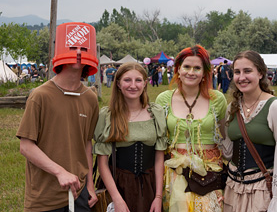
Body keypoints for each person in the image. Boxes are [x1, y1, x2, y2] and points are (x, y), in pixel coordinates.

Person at [16, 22, 99, 212]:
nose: (78, 53)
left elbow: (86, 143)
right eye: (73, 47)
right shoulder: (40, 95)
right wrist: (60, 172)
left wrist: (90, 187)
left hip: (80, 194)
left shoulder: (90, 98)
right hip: (45, 197)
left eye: (83, 48)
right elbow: (26, 146)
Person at [155, 45, 228, 212]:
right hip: (175, 172)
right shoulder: (163, 99)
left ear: (204, 73)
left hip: (210, 172)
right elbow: (157, 142)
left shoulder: (217, 99)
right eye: (186, 67)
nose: (191, 72)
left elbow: (226, 137)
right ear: (178, 70)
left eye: (197, 68)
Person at [223, 50, 277, 212]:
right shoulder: (232, 108)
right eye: (237, 72)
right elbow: (228, 152)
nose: (241, 77)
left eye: (247, 71)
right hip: (233, 188)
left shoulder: (275, 107)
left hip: (262, 189)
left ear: (261, 73)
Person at [93, 62, 168, 212]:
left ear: (145, 83)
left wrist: (158, 197)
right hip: (118, 185)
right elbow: (102, 163)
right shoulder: (109, 116)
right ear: (118, 84)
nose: (133, 85)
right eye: (127, 80)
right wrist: (117, 199)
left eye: (138, 80)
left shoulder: (156, 113)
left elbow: (159, 158)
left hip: (150, 185)